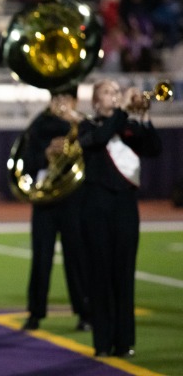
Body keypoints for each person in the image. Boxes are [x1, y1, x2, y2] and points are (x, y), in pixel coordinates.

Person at [79, 78, 162, 358]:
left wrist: (145, 117)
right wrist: (123, 112)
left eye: (117, 92)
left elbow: (154, 149)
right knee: (100, 275)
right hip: (96, 206)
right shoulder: (87, 126)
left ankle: (124, 342)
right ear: (95, 102)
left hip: (125, 205)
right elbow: (100, 138)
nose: (114, 96)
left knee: (124, 275)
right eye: (107, 93)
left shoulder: (128, 125)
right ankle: (103, 343)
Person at [20, 86, 91, 332]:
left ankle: (85, 313)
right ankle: (35, 313)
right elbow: (26, 162)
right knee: (41, 258)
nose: (60, 103)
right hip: (46, 201)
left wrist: (76, 138)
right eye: (56, 98)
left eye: (66, 98)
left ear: (75, 101)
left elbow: (95, 155)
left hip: (74, 199)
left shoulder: (85, 125)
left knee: (77, 258)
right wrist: (47, 153)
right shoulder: (38, 126)